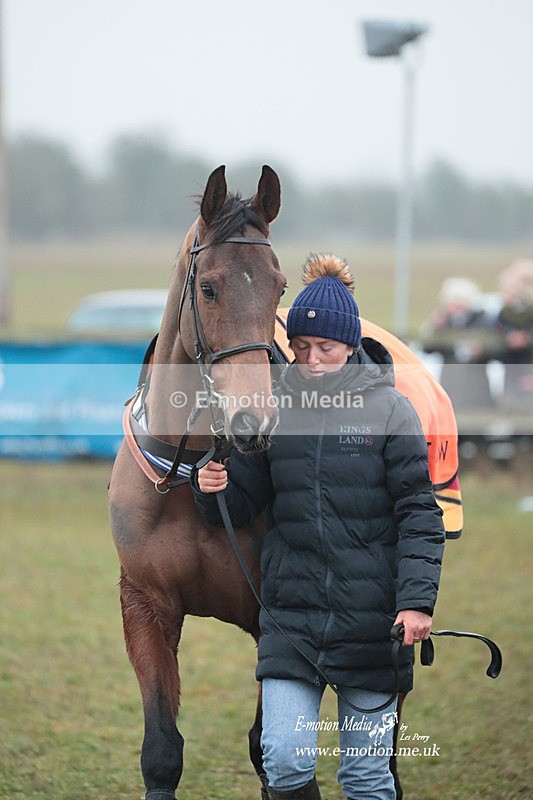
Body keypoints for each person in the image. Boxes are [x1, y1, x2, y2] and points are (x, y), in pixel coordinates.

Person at [191, 253, 445, 800]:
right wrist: (212, 489)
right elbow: (243, 503)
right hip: (292, 621)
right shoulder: (275, 406)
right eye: (300, 348)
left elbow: (420, 514)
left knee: (366, 777)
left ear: (350, 345)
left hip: (375, 626)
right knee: (281, 761)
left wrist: (417, 602)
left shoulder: (393, 411)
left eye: (324, 349)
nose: (310, 360)